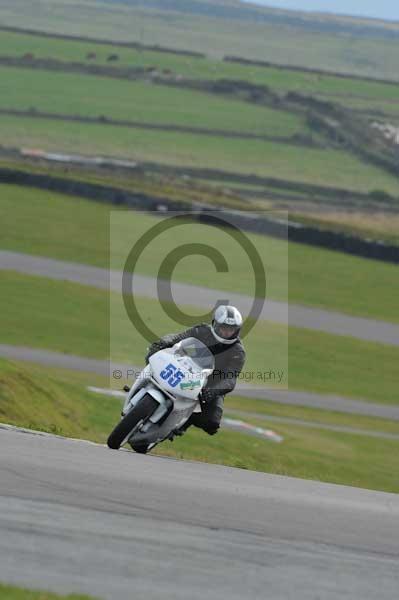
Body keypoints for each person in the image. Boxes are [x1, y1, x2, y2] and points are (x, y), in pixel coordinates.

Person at [145, 305, 246, 436]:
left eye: (231, 330)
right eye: (223, 328)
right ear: (215, 324)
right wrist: (162, 343)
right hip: (184, 366)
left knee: (212, 423)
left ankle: (186, 421)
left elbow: (230, 379)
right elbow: (177, 337)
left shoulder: (238, 352)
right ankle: (144, 386)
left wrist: (213, 391)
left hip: (210, 384)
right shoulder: (202, 330)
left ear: (237, 330)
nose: (227, 333)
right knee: (155, 357)